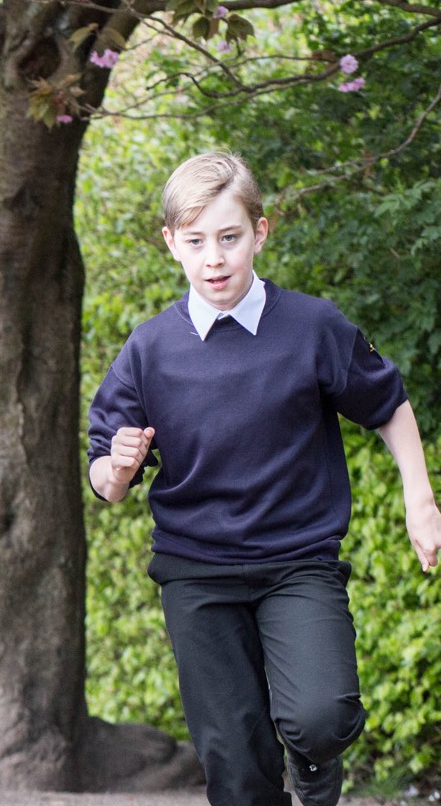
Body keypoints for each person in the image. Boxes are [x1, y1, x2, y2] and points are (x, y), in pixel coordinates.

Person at [87, 151, 441, 806]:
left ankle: (314, 770)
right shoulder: (148, 350)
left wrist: (421, 502)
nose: (214, 259)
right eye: (196, 242)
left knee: (320, 720)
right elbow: (105, 481)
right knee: (238, 769)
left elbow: (388, 403)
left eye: (229, 238)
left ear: (260, 232)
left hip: (297, 563)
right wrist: (120, 465)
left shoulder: (311, 328)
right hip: (195, 574)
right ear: (172, 243)